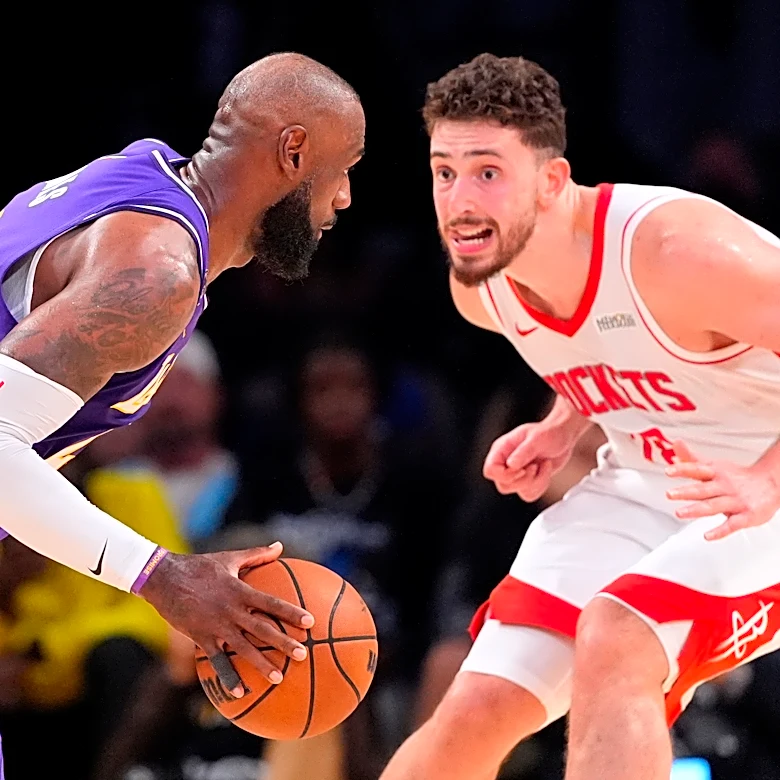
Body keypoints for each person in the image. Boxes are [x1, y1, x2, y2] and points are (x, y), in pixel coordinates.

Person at [379, 52, 780, 780]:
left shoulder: (679, 252)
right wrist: (565, 423)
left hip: (762, 488)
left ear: (552, 179)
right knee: (477, 706)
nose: (459, 200)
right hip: (653, 483)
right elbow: (611, 341)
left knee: (618, 636)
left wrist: (766, 479)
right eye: (444, 172)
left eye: (488, 172)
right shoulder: (481, 287)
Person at [0, 50, 365, 774]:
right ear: (294, 151)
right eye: (344, 167)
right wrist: (161, 575)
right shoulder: (155, 274)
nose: (346, 197)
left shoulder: (137, 174)